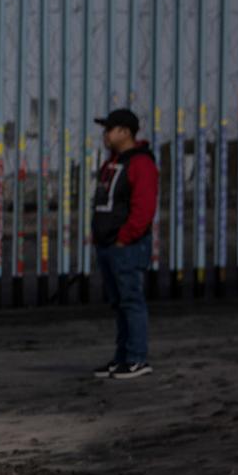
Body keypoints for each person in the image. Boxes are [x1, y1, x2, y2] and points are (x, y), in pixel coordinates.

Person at [90, 108, 158, 380]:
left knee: (131, 301)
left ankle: (137, 358)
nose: (105, 135)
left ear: (125, 132)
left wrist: (124, 238)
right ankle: (122, 358)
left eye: (110, 129)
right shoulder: (113, 162)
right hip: (109, 244)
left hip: (127, 246)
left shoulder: (140, 163)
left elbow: (143, 209)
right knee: (119, 303)